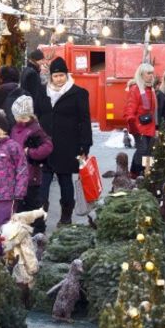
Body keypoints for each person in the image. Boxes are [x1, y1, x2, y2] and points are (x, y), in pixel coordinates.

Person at [39, 56, 93, 227]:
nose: (59, 79)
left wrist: (85, 144)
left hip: (68, 146)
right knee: (42, 185)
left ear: (67, 75)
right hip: (44, 146)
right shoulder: (42, 92)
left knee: (65, 181)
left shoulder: (78, 93)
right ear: (51, 77)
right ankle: (40, 219)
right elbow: (36, 117)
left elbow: (85, 120)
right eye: (55, 76)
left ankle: (66, 217)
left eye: (62, 75)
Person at [9, 95, 53, 219]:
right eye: (19, 117)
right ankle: (23, 228)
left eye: (24, 117)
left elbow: (48, 146)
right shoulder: (14, 128)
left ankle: (39, 229)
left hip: (32, 173)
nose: (22, 120)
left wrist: (30, 152)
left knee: (33, 203)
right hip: (17, 173)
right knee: (20, 204)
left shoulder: (35, 129)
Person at [19, 48, 51, 118]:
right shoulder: (32, 73)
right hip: (32, 108)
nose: (43, 62)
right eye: (42, 60)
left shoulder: (27, 70)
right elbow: (35, 93)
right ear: (36, 60)